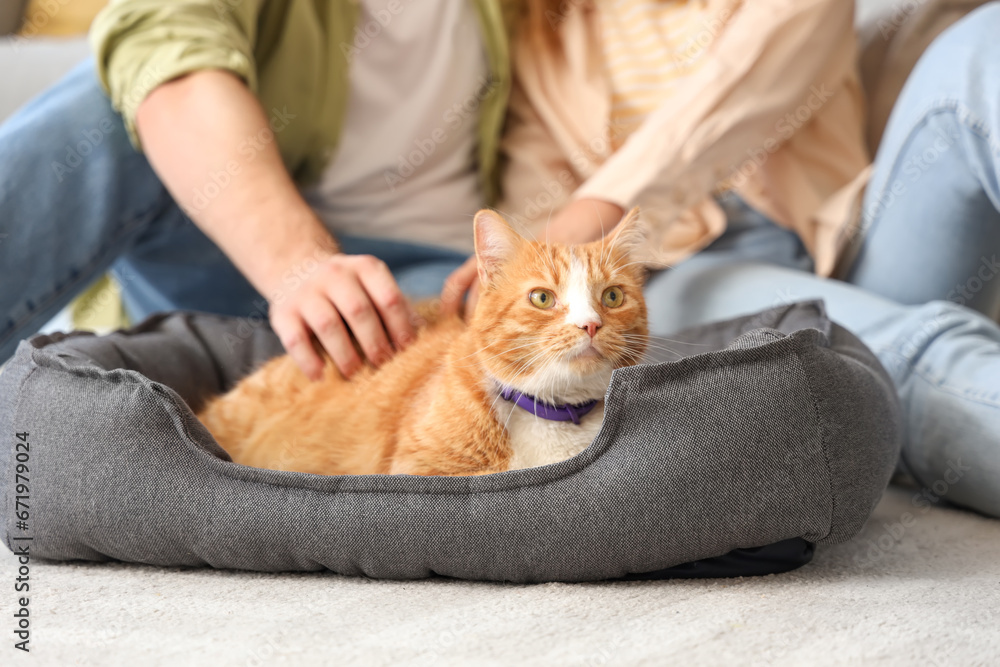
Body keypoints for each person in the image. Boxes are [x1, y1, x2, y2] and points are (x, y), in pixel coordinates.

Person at [466, 0, 1000, 518]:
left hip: (842, 238)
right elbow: (540, 219)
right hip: (675, 271)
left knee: (985, 40)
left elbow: (765, 67)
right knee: (895, 355)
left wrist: (606, 200)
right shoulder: (546, 30)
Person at [0, 0, 513, 381]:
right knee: (113, 99)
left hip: (428, 282)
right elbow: (163, 32)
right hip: (238, 247)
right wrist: (298, 265)